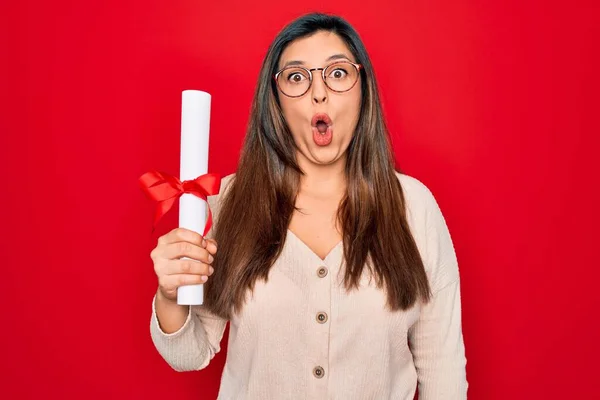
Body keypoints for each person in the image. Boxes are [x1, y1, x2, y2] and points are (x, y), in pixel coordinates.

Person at [149, 12, 468, 400]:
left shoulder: (414, 208)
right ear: (276, 101)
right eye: (297, 77)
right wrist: (170, 295)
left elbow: (443, 372)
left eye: (337, 73)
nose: (319, 92)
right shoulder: (229, 203)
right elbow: (189, 353)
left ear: (362, 88)